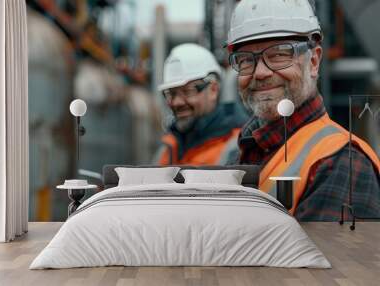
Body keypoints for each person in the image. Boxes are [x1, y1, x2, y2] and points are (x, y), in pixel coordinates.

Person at [225, 0, 380, 220]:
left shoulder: (343, 164)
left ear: (314, 61)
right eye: (245, 60)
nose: (260, 73)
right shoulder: (240, 156)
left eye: (279, 54)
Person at [154, 43, 247, 165]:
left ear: (213, 90)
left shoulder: (239, 146)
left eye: (187, 91)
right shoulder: (168, 148)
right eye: (171, 93)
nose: (177, 102)